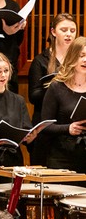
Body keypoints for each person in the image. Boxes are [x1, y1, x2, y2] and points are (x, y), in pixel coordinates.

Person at [28, 13, 77, 164]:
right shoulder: (40, 60)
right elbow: (33, 96)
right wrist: (55, 87)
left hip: (70, 125)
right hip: (46, 125)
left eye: (72, 30)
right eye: (64, 30)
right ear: (53, 32)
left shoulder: (79, 60)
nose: (69, 34)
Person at [39, 36, 86, 173]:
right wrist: (68, 128)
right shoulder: (57, 87)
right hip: (61, 157)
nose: (85, 60)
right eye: (82, 55)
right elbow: (44, 126)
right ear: (72, 57)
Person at [0, 52, 33, 166]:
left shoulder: (18, 100)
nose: (3, 75)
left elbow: (27, 131)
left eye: (6, 71)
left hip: (14, 159)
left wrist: (30, 137)